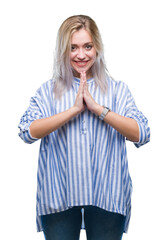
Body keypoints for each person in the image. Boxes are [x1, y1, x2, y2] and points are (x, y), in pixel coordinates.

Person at [18, 15, 150, 240]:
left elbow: (142, 133)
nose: (81, 55)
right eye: (73, 47)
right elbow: (26, 132)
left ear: (97, 47)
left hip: (107, 196)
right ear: (63, 50)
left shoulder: (117, 90)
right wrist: (73, 111)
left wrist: (98, 109)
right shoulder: (47, 91)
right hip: (58, 197)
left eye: (87, 46)